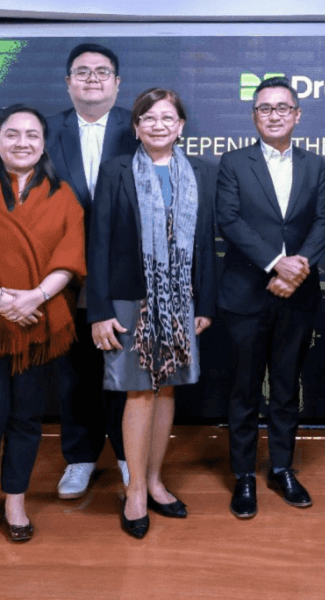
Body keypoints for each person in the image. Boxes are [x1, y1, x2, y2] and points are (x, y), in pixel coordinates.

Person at [86, 89, 216, 539]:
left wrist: (205, 304)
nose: (158, 124)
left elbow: (206, 246)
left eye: (168, 117)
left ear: (181, 125)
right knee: (139, 392)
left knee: (168, 391)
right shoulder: (116, 170)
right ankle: (136, 489)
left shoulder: (200, 171)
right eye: (148, 117)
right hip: (128, 298)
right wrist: (99, 310)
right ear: (136, 127)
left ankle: (157, 481)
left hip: (181, 300)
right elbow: (98, 243)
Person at [216, 77, 325, 518]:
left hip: (298, 294)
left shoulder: (314, 164)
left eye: (283, 107)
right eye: (265, 108)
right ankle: (244, 475)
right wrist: (274, 262)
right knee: (245, 389)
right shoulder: (233, 162)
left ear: (298, 115)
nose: (274, 114)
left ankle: (282, 467)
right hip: (246, 294)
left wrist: (297, 265)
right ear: (254, 116)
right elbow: (228, 220)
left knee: (285, 388)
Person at [47, 42, 138, 499]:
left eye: (103, 72)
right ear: (68, 83)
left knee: (125, 368)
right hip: (65, 274)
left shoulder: (138, 127)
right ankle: (80, 458)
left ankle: (128, 456)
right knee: (75, 370)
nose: (92, 79)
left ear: (117, 83)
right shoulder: (47, 130)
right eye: (82, 72)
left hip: (124, 273)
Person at [0, 105, 87, 542]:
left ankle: (15, 501)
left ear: (43, 143)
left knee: (25, 419)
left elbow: (70, 257)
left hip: (35, 325)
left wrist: (34, 296)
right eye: (12, 134)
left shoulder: (62, 194)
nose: (22, 143)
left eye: (31, 135)